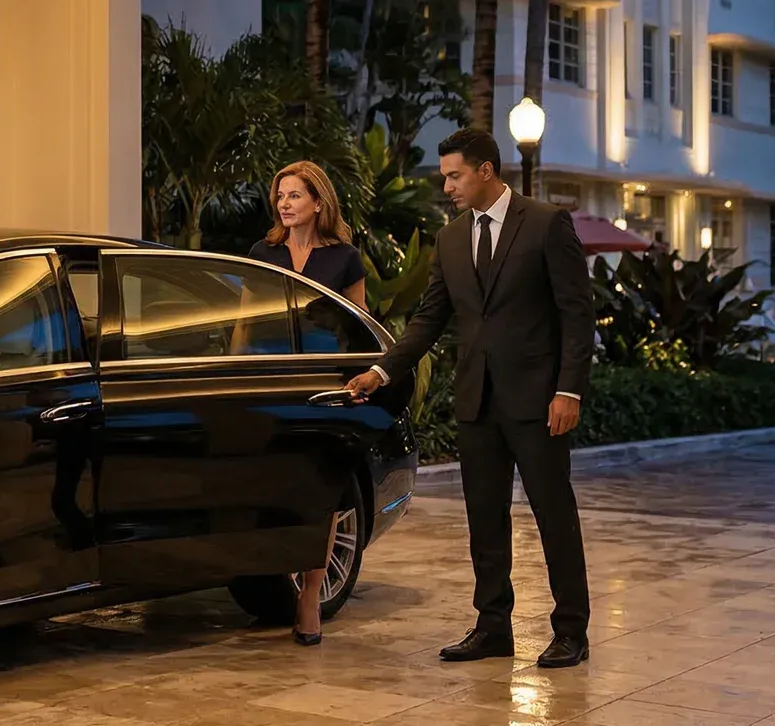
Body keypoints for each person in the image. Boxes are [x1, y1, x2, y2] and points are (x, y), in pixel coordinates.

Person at [344, 128, 596, 669]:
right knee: (485, 517)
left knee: (554, 515)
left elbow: (577, 315)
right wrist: (382, 371)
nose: (447, 186)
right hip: (477, 401)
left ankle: (571, 630)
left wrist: (568, 389)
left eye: (454, 175)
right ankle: (492, 626)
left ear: (485, 170)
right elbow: (430, 318)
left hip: (539, 400)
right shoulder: (452, 239)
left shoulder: (548, 223)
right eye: (444, 177)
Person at [249, 161, 365, 646]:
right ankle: (265, 580)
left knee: (321, 494)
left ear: (318, 202)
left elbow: (359, 325)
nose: (285, 203)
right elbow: (244, 322)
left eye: (295, 195)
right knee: (272, 488)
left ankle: (309, 596)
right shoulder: (262, 252)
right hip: (271, 381)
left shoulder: (344, 259)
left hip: (322, 387)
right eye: (280, 195)